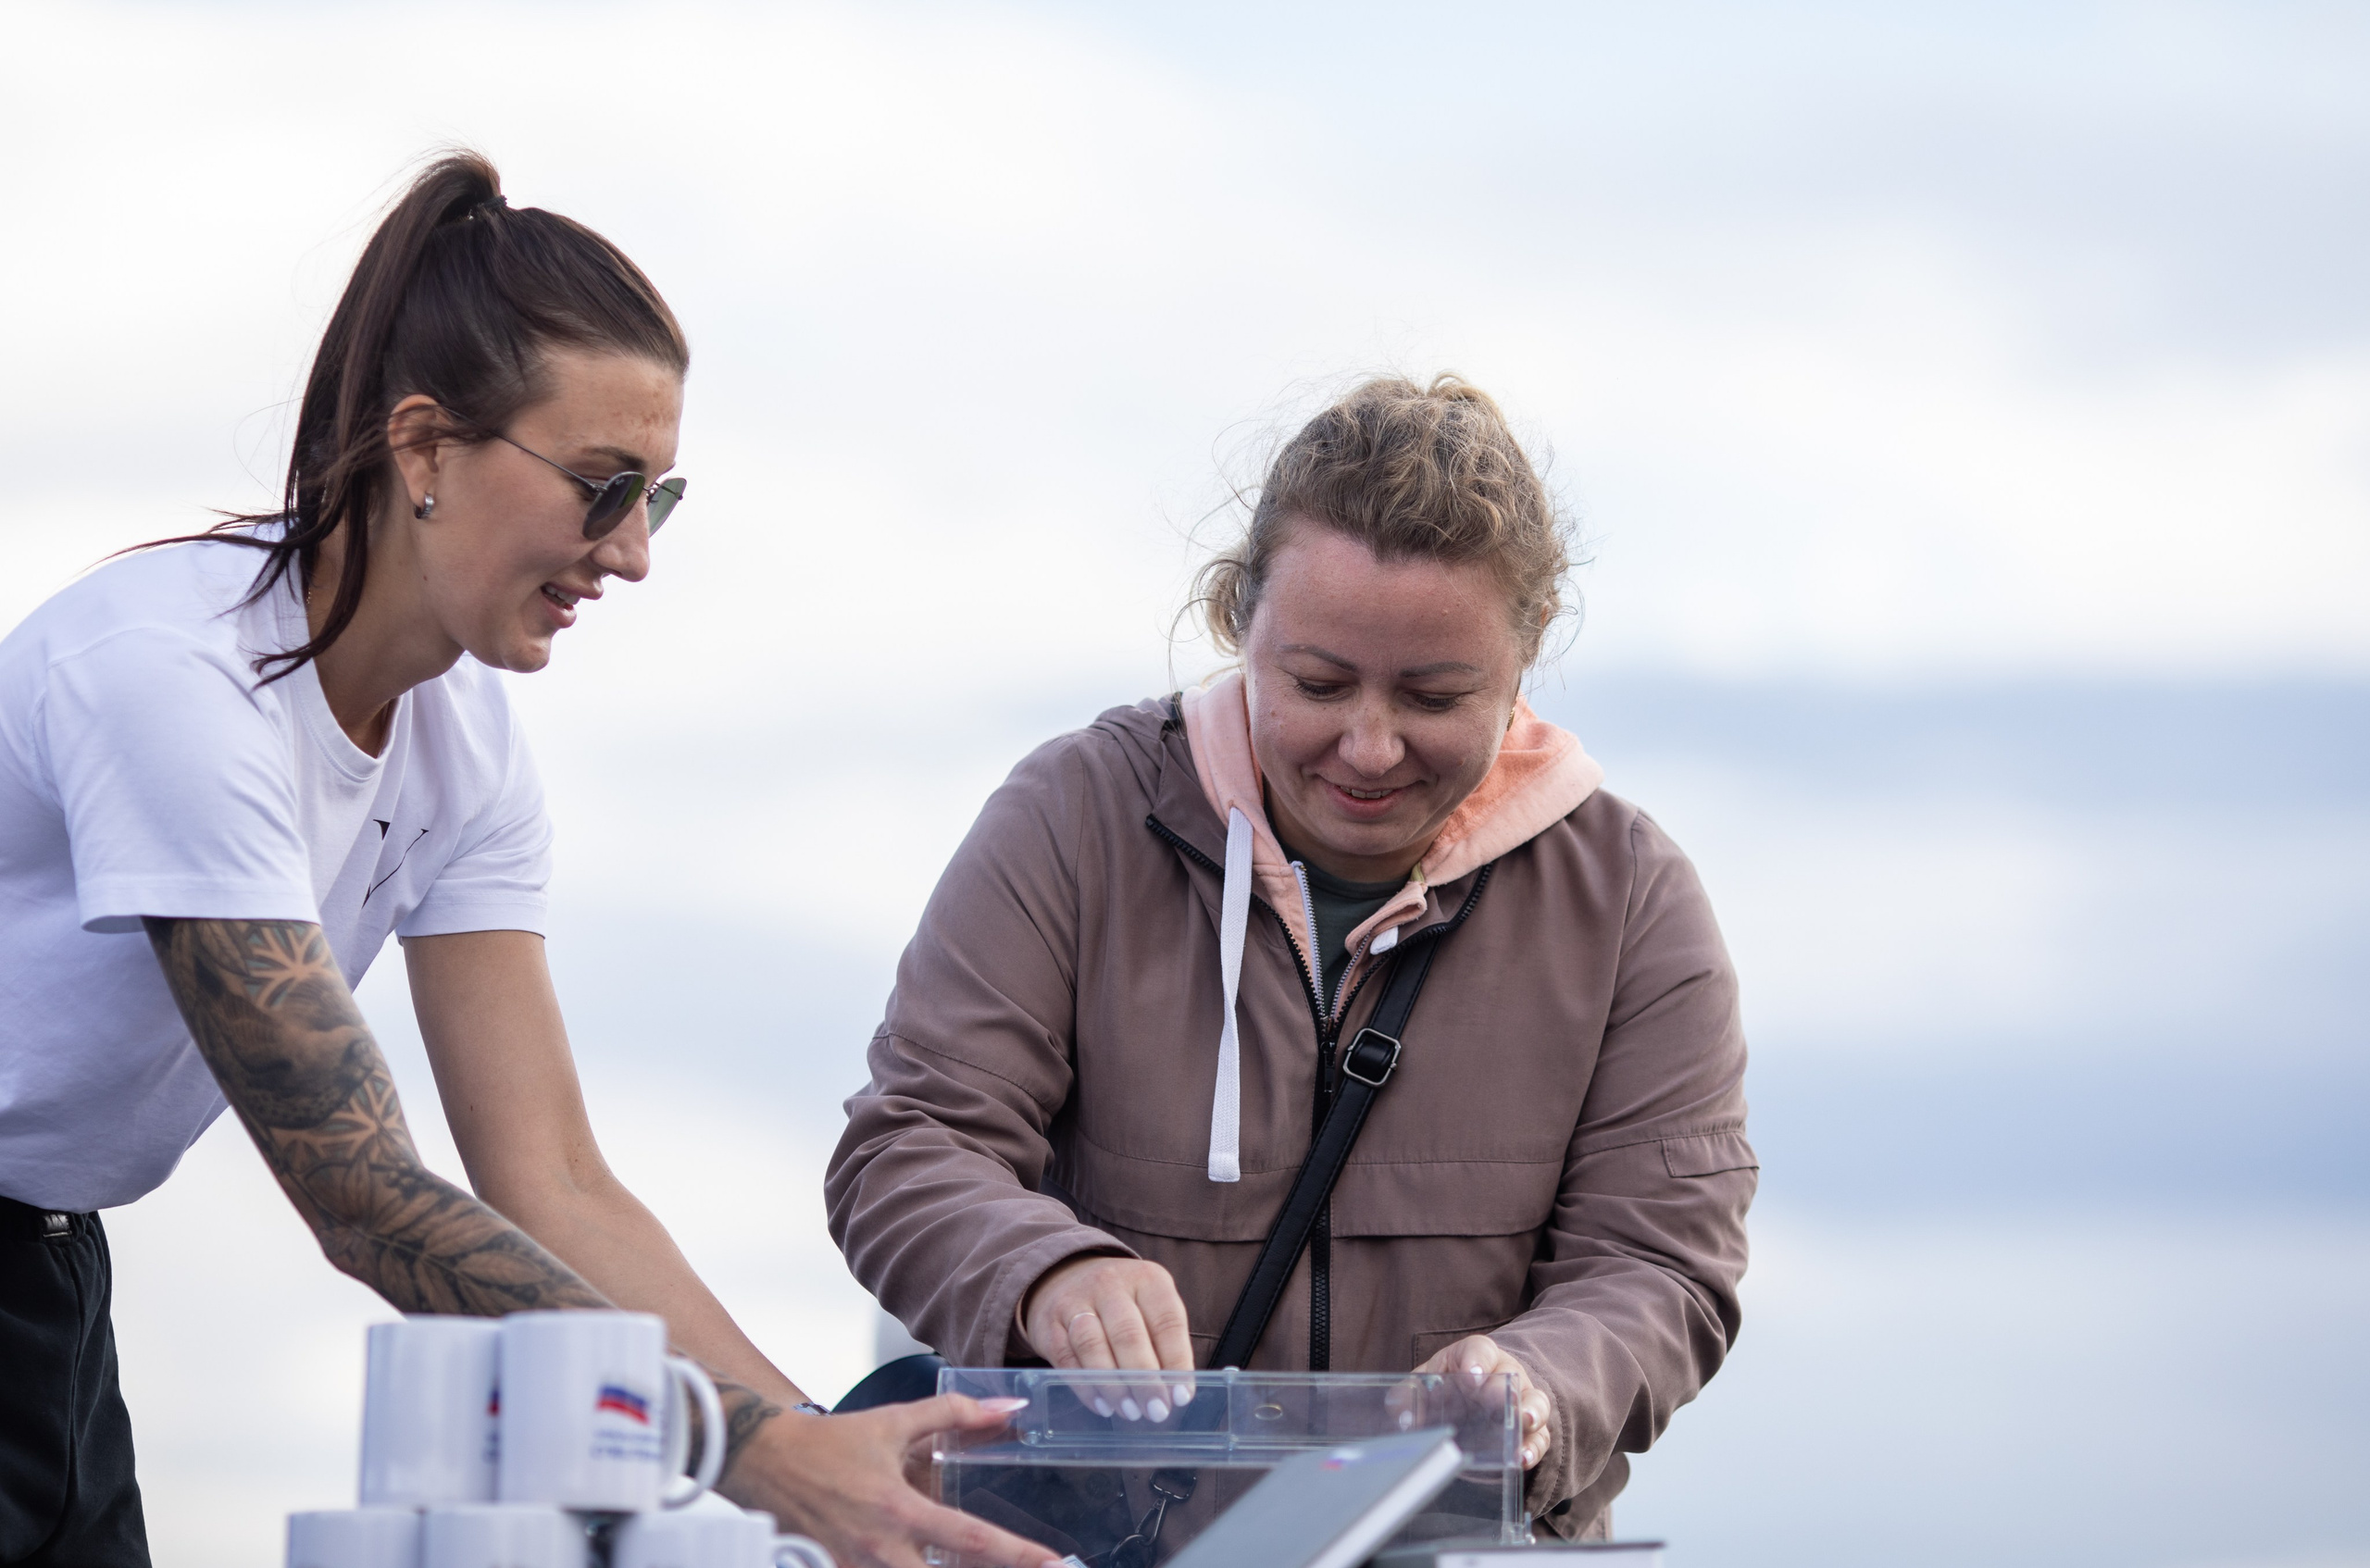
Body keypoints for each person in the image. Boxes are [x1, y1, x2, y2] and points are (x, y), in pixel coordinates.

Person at [0, 153, 1058, 1568]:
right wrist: (760, 1457)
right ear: (425, 447)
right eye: (603, 486)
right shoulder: (175, 682)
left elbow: (552, 1174)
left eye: (659, 500)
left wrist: (821, 1449)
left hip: (51, 1270)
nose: (628, 553)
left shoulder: (467, 740)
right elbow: (363, 1190)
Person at [826, 374, 1756, 1541]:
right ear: (1237, 622)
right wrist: (1046, 1271)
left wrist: (1537, 1381)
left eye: (1433, 694)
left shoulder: (1631, 900)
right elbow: (908, 1145)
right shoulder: (1070, 819)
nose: (1368, 746)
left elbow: (1662, 1261)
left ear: (1525, 656)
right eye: (1317, 683)